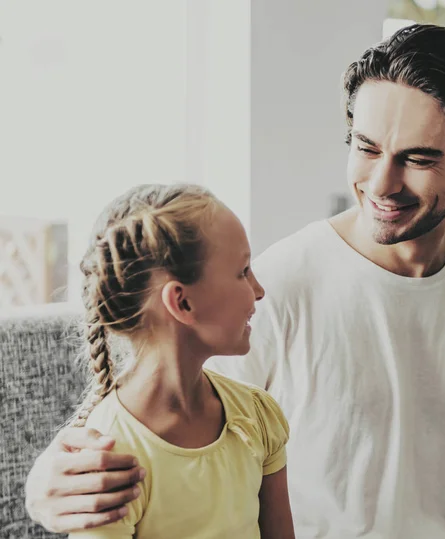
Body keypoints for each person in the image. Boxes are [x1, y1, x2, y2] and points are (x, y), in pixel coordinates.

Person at [26, 24, 445, 538]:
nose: (381, 181)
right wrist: (44, 489)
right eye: (366, 147)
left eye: (418, 159)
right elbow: (149, 417)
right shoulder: (272, 288)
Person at [46, 184, 295, 538]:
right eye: (242, 271)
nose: (258, 290)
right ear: (182, 303)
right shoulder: (109, 459)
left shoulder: (258, 415)